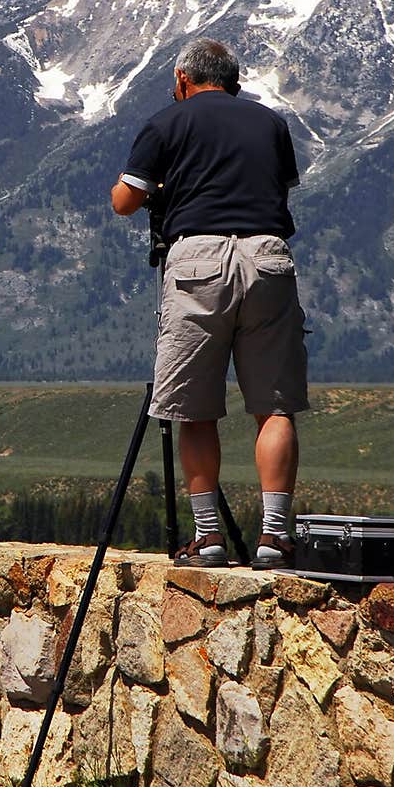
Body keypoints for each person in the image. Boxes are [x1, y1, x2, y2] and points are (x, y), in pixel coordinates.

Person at [110, 36, 310, 570]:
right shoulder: (269, 123)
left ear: (182, 80)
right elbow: (281, 185)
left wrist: (163, 185)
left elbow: (123, 202)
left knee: (194, 408)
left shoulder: (165, 123)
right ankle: (274, 537)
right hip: (267, 256)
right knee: (274, 404)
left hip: (198, 260)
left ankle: (208, 537)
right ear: (233, 79)